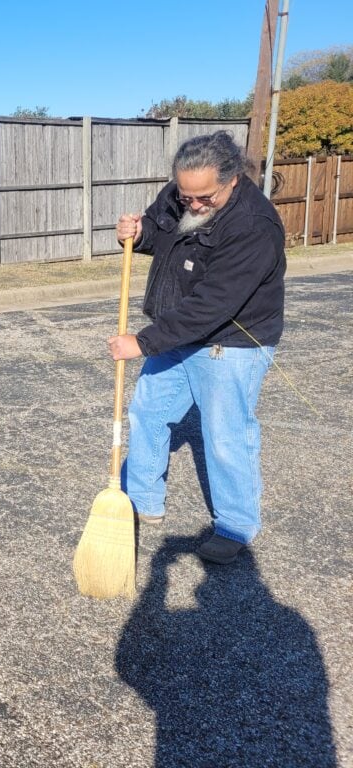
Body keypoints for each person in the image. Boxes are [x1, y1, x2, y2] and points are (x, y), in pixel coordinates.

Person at [109, 131, 285, 565]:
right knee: (148, 412)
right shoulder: (183, 190)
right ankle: (140, 500)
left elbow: (214, 304)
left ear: (232, 180)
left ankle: (234, 525)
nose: (193, 204)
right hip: (175, 332)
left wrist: (143, 342)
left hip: (229, 343)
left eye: (204, 197)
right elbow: (160, 233)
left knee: (225, 435)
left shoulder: (253, 226)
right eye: (186, 195)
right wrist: (137, 231)